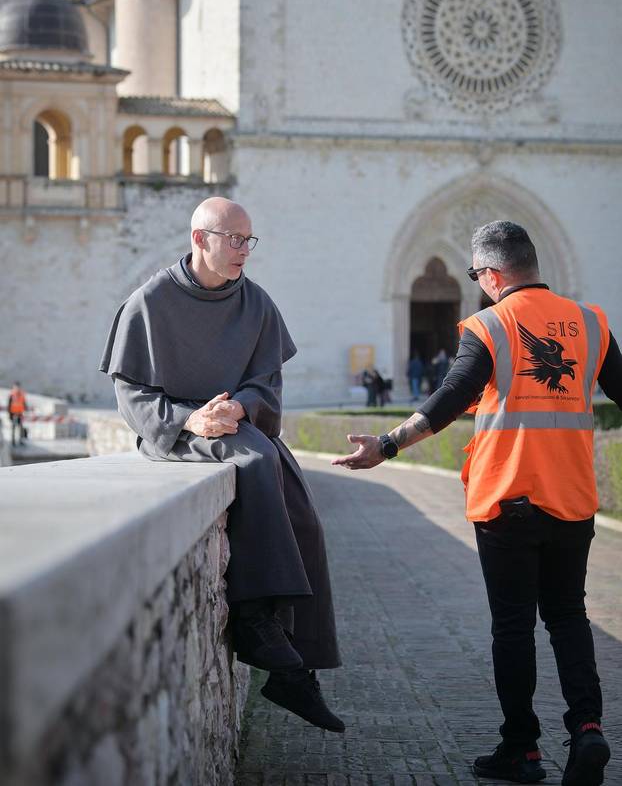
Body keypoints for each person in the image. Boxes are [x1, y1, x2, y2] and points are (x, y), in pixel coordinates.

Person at [334, 221, 620, 786]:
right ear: (534, 265)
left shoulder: (490, 325)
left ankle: (523, 750)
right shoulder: (592, 323)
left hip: (507, 501)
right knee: (568, 616)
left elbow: (447, 402)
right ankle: (588, 729)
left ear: (491, 276)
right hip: (574, 499)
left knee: (513, 627)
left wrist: (386, 445)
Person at [100, 197, 343, 733]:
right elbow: (131, 393)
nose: (243, 251)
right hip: (179, 434)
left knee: (302, 510)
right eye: (233, 240)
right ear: (199, 239)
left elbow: (267, 384)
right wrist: (191, 420)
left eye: (248, 241)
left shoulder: (255, 303)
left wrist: (240, 405)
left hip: (237, 425)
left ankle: (295, 666)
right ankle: (258, 624)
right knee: (256, 461)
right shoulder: (151, 300)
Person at [7, 381, 28, 446]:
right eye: (16, 387)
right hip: (13, 413)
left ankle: (20, 440)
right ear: (14, 387)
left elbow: (24, 403)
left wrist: (25, 409)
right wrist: (10, 414)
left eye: (18, 387)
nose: (17, 388)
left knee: (20, 427)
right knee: (14, 427)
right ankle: (13, 441)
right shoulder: (12, 395)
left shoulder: (22, 394)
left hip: (20, 413)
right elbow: (9, 405)